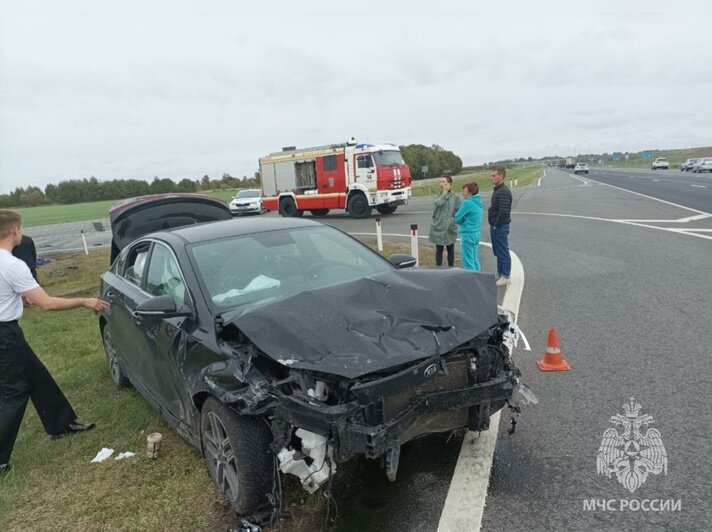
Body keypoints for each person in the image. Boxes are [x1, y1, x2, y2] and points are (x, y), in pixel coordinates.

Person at [0, 209, 109, 474]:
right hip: (4, 335)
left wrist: (18, 297)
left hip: (6, 332)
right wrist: (84, 300)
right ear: (15, 231)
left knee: (37, 376)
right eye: (21, 228)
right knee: (14, 393)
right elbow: (47, 304)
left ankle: (60, 423)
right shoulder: (12, 264)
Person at [428, 176, 461, 267]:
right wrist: (444, 193)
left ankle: (451, 268)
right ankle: (438, 267)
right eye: (440, 182)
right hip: (439, 226)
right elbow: (438, 203)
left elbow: (458, 211)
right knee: (439, 250)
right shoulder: (437, 196)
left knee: (451, 250)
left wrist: (453, 220)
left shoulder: (456, 197)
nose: (441, 184)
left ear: (449, 184)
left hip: (450, 227)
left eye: (443, 182)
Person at [488, 167, 513, 286]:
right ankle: (500, 272)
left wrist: (496, 224)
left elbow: (503, 212)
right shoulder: (497, 190)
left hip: (500, 226)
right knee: (498, 250)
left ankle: (506, 275)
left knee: (503, 250)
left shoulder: (503, 191)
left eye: (494, 175)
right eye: (491, 175)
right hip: (496, 226)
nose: (491, 178)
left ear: (501, 176)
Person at [454, 183, 484, 271]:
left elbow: (457, 218)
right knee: (474, 259)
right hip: (476, 233)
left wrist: (462, 221)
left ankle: (472, 281)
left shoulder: (467, 203)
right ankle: (478, 277)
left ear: (470, 192)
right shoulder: (478, 202)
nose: (463, 193)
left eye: (464, 191)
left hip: (468, 234)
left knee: (468, 261)